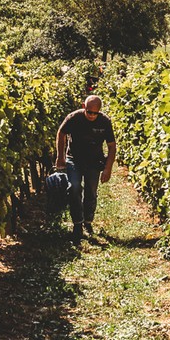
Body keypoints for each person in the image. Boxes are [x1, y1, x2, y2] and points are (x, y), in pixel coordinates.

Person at [54, 94, 116, 242]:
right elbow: (61, 134)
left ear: (99, 111)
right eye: (89, 112)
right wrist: (60, 157)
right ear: (84, 107)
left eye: (96, 113)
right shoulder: (73, 118)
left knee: (91, 191)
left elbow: (112, 146)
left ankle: (88, 221)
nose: (92, 115)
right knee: (74, 187)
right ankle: (77, 224)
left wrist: (108, 168)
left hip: (94, 161)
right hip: (74, 159)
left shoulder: (105, 121)